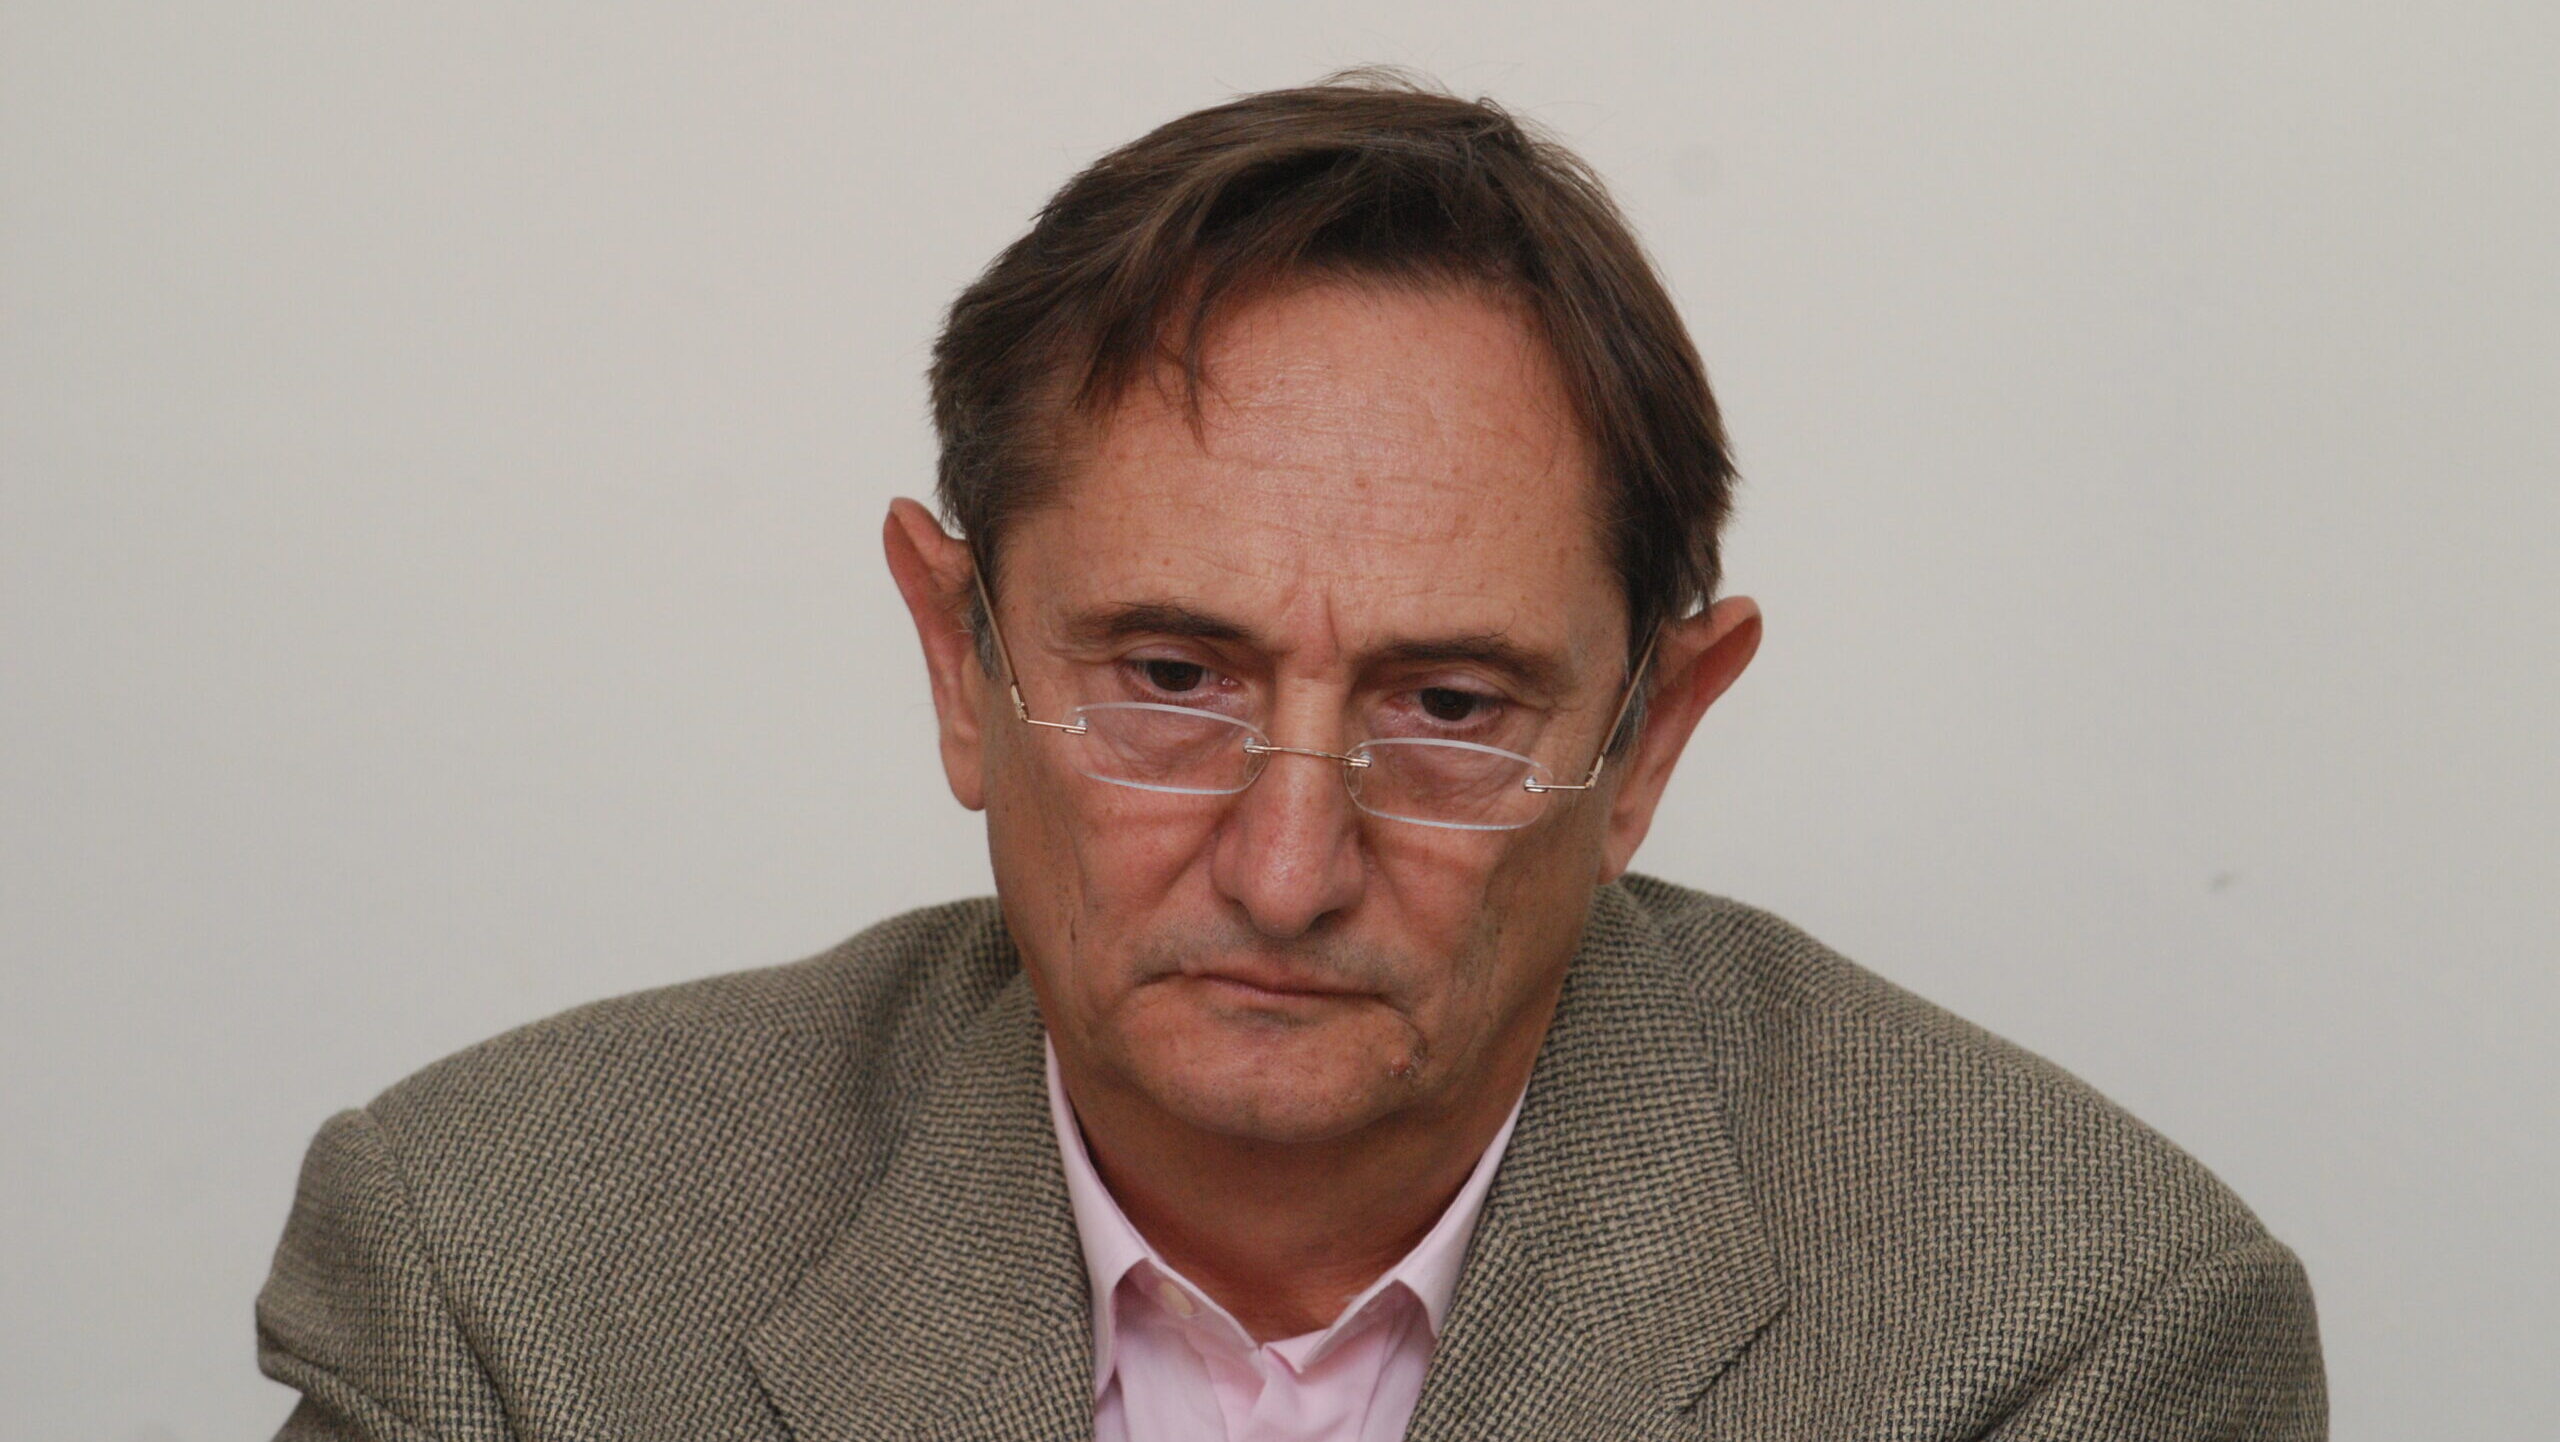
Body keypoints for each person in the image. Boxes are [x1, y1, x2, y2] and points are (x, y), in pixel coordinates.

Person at [256, 74, 2326, 1441]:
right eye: (1170, 674)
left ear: (1648, 741)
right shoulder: (504, 1273)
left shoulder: (2067, 1333)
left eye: (1449, 708)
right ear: (960, 664)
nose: (1284, 862)